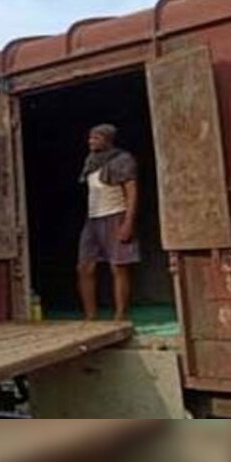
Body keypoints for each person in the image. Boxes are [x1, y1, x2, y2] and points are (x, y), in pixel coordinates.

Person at [78, 124, 140, 323]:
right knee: (84, 267)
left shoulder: (122, 159)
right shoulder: (91, 161)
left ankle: (120, 315)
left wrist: (128, 222)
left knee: (118, 266)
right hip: (93, 218)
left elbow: (131, 192)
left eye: (96, 138)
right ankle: (90, 315)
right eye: (90, 138)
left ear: (107, 139)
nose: (91, 141)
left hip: (116, 215)